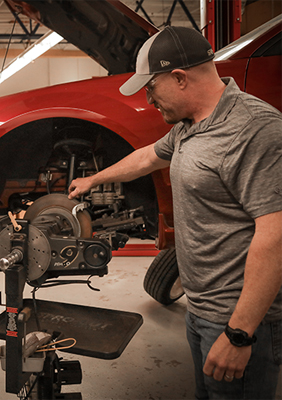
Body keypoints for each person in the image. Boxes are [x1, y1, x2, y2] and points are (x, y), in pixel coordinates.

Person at [69, 26, 282, 399]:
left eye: (151, 88)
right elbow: (149, 156)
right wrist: (93, 180)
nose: (149, 98)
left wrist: (239, 333)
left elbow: (276, 235)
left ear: (180, 78)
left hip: (238, 321)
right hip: (201, 310)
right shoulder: (191, 125)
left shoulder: (254, 130)